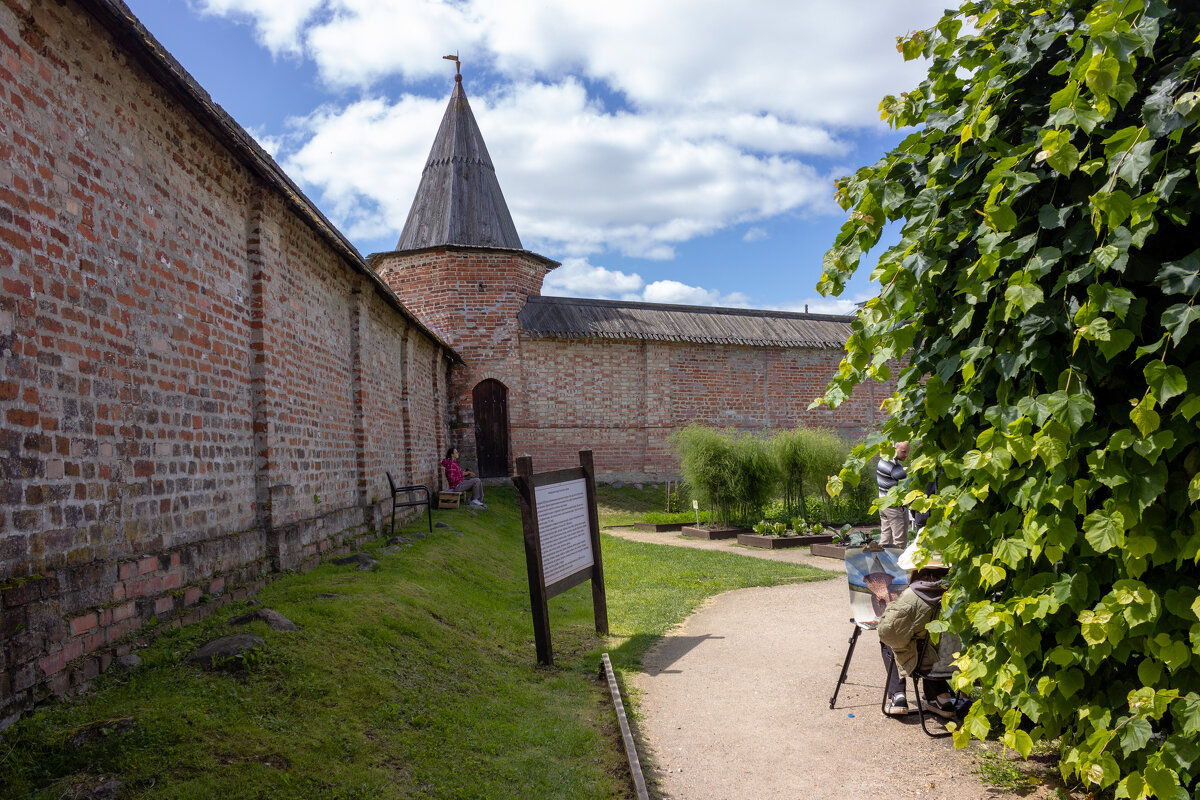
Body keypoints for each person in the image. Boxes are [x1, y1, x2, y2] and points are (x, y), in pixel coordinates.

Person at [877, 541, 966, 719]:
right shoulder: (960, 593)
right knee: (930, 640)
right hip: (955, 663)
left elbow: (887, 633)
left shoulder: (912, 597)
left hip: (924, 664)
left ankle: (897, 695)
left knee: (890, 640)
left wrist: (890, 609)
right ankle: (940, 697)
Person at [876, 441, 910, 548]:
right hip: (894, 508)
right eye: (903, 452)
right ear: (895, 448)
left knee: (886, 540)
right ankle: (897, 564)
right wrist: (911, 468)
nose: (906, 455)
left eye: (907, 452)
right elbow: (901, 475)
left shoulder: (883, 460)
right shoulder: (893, 466)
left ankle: (881, 563)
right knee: (899, 542)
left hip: (883, 505)